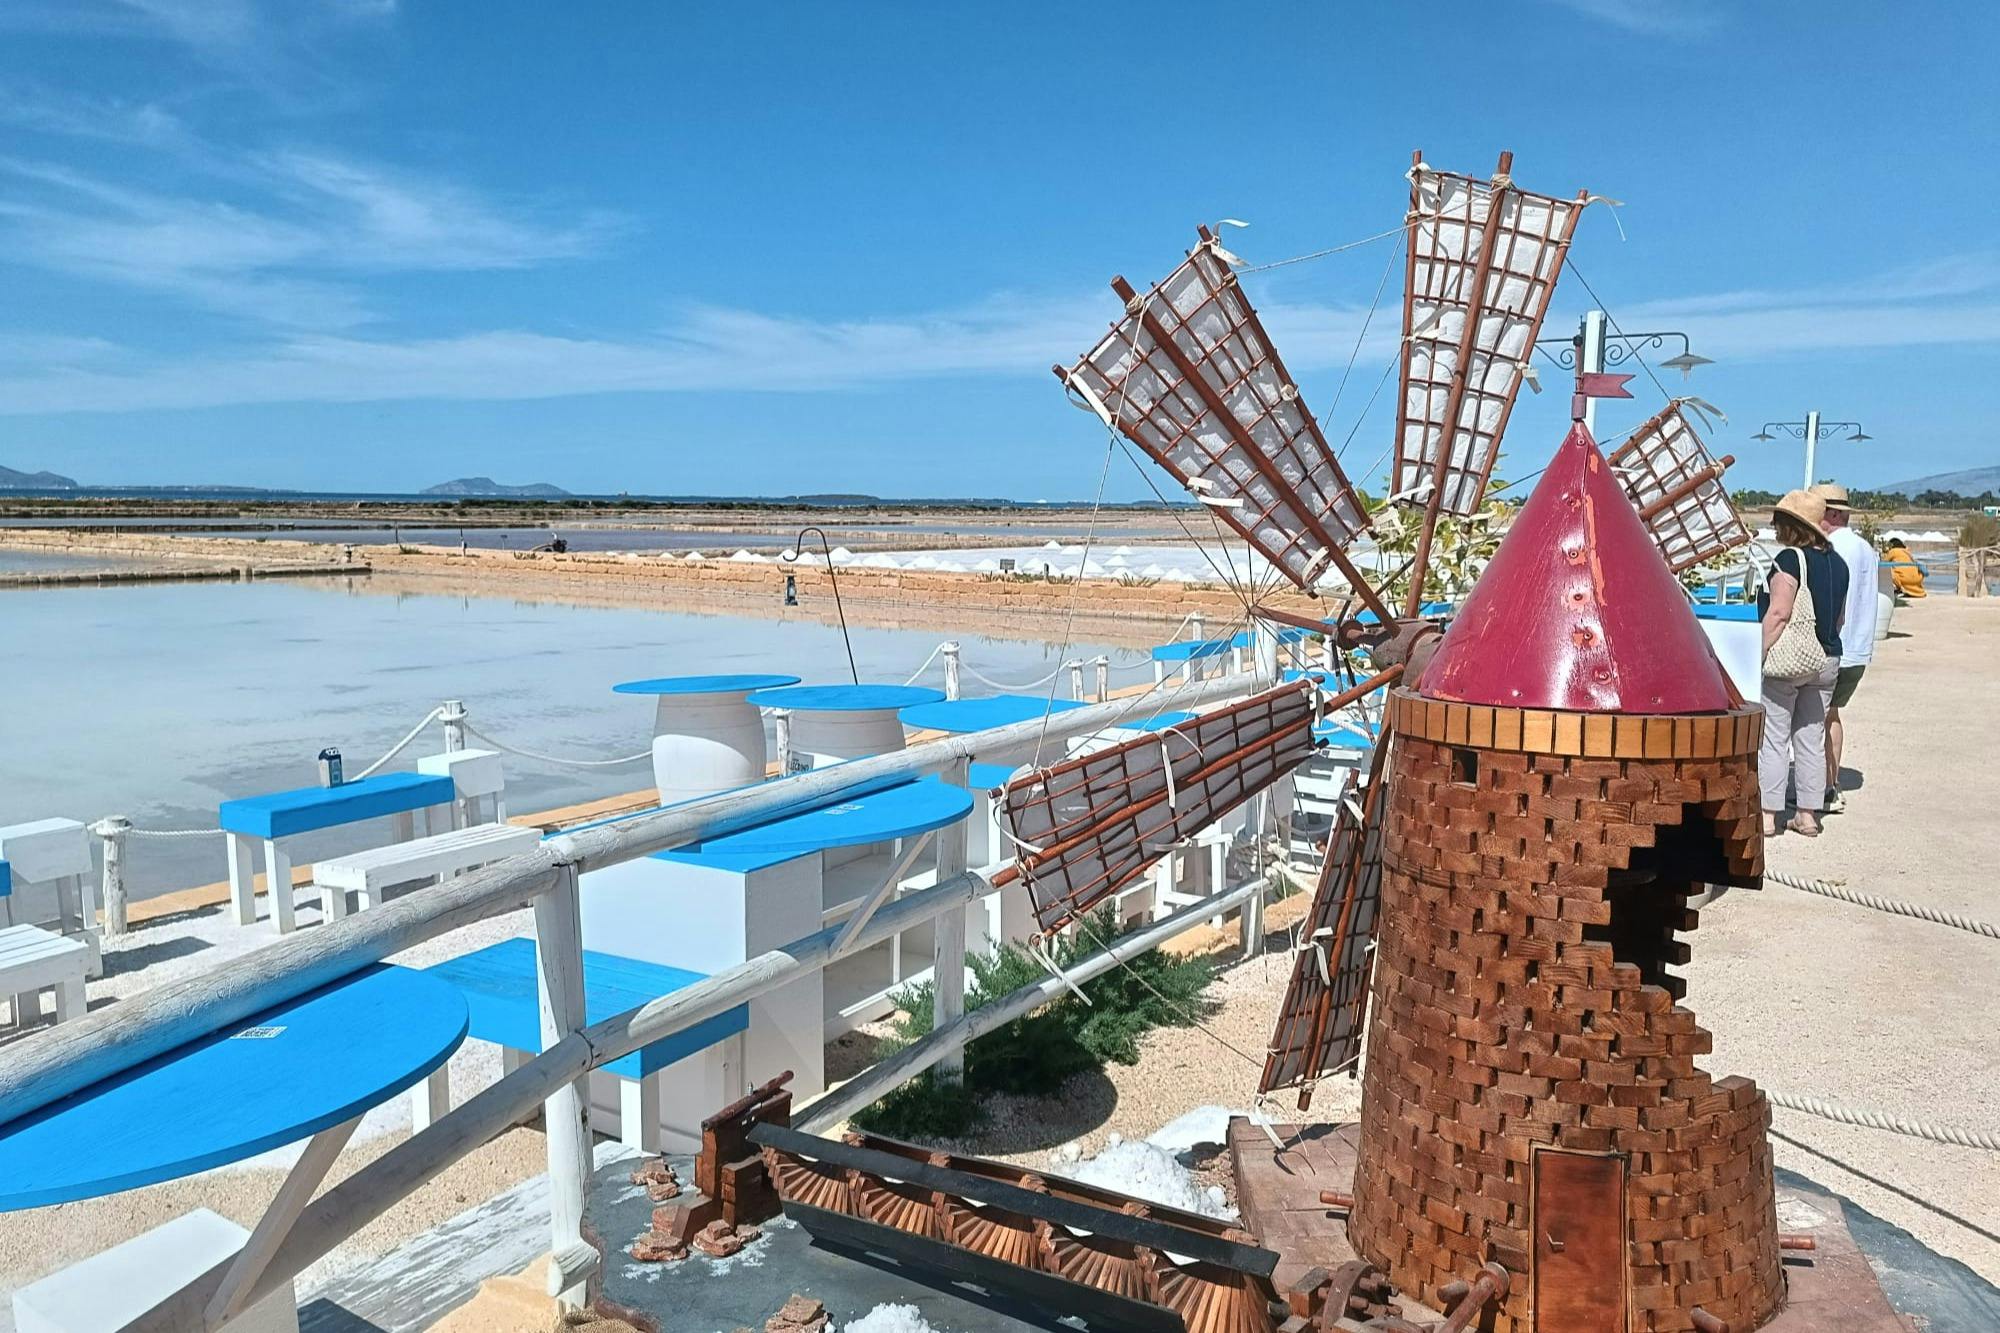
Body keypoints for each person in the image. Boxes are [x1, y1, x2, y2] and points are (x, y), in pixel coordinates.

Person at [1756, 490, 1847, 837]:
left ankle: (1767, 816)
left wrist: (1758, 653)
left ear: (1791, 526)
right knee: (1811, 736)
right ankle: (1807, 815)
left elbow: (1779, 613)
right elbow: (1839, 619)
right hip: (1827, 658)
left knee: (1774, 737)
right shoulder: (1838, 563)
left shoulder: (1789, 560)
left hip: (1789, 661)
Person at [1809, 483, 1877, 815]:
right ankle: (1828, 785)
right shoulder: (1865, 548)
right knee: (1831, 716)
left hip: (1834, 646)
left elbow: (1828, 603)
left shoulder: (1830, 548)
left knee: (1815, 718)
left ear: (1832, 514)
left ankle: (1821, 789)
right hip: (1859, 647)